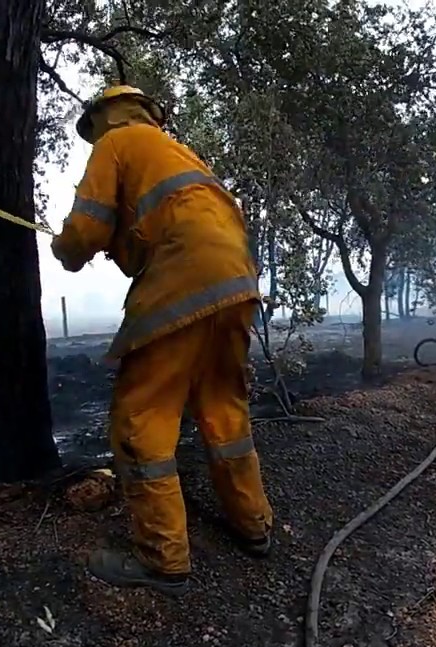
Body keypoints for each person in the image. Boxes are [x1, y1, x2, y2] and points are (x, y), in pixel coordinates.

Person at [50, 84, 272, 597]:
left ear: (103, 117)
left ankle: (162, 558)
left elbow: (87, 228)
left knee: (142, 415)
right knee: (223, 407)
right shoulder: (176, 153)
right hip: (237, 280)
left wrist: (68, 248)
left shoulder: (116, 143)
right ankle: (253, 525)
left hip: (183, 280)